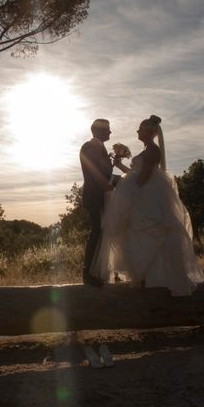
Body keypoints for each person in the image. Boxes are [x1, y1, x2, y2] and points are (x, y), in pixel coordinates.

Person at [91, 115, 204, 296]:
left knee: (151, 231)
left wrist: (128, 195)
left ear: (149, 132)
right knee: (138, 232)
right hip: (144, 194)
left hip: (148, 197)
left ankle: (157, 278)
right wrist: (120, 166)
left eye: (140, 129)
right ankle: (146, 277)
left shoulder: (153, 149)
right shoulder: (146, 148)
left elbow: (143, 177)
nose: (137, 131)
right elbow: (136, 174)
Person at [79, 118, 114, 286]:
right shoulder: (91, 146)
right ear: (99, 131)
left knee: (101, 231)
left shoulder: (99, 146)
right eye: (108, 130)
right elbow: (94, 171)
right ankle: (88, 274)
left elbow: (104, 170)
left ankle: (97, 272)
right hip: (94, 194)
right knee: (96, 232)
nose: (110, 133)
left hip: (98, 193)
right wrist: (108, 186)